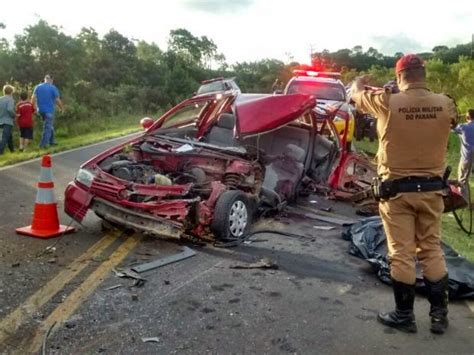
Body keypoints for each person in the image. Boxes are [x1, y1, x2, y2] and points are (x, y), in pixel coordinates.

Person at [351, 54, 458, 335]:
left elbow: (355, 95)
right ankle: (439, 317)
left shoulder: (387, 101)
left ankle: (404, 316)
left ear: (400, 76)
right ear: (423, 73)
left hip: (396, 193)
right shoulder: (445, 103)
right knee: (431, 250)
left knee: (401, 253)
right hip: (433, 192)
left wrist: (360, 82)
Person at [31, 74, 64, 149]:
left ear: (45, 79)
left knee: (49, 125)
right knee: (47, 127)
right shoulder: (52, 87)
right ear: (51, 80)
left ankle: (52, 141)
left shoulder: (38, 87)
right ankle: (43, 145)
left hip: (41, 110)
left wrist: (33, 108)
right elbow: (57, 100)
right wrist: (62, 108)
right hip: (49, 110)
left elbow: (33, 98)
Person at [452, 109, 474, 198]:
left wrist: (456, 118)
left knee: (462, 181)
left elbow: (451, 126)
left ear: (467, 117)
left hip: (467, 158)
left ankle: (465, 203)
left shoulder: (462, 127)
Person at [0, 85, 16, 155]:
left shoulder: (0, 99)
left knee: (9, 136)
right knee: (4, 137)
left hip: (0, 120)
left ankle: (12, 150)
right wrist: (14, 115)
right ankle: (0, 152)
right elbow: (9, 109)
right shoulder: (10, 99)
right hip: (7, 121)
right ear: (11, 92)